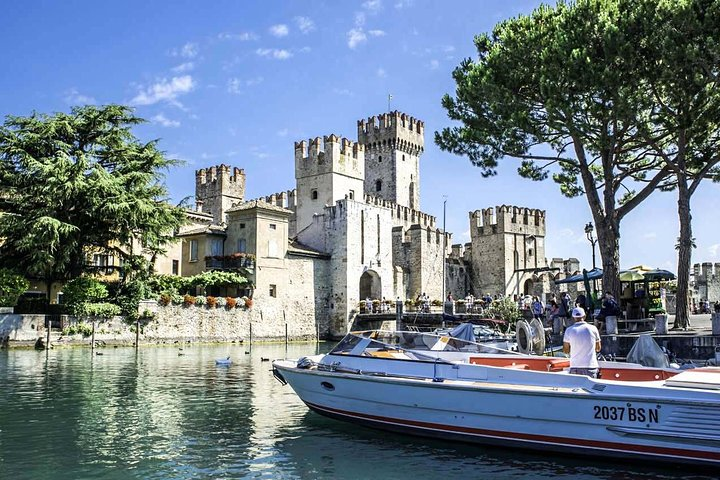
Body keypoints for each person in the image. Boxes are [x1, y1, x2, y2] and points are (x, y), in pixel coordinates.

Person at [563, 307, 602, 378]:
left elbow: (566, 350)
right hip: (591, 366)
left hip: (575, 366)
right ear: (584, 316)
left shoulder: (569, 330)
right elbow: (598, 348)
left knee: (575, 388)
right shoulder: (593, 328)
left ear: (573, 317)